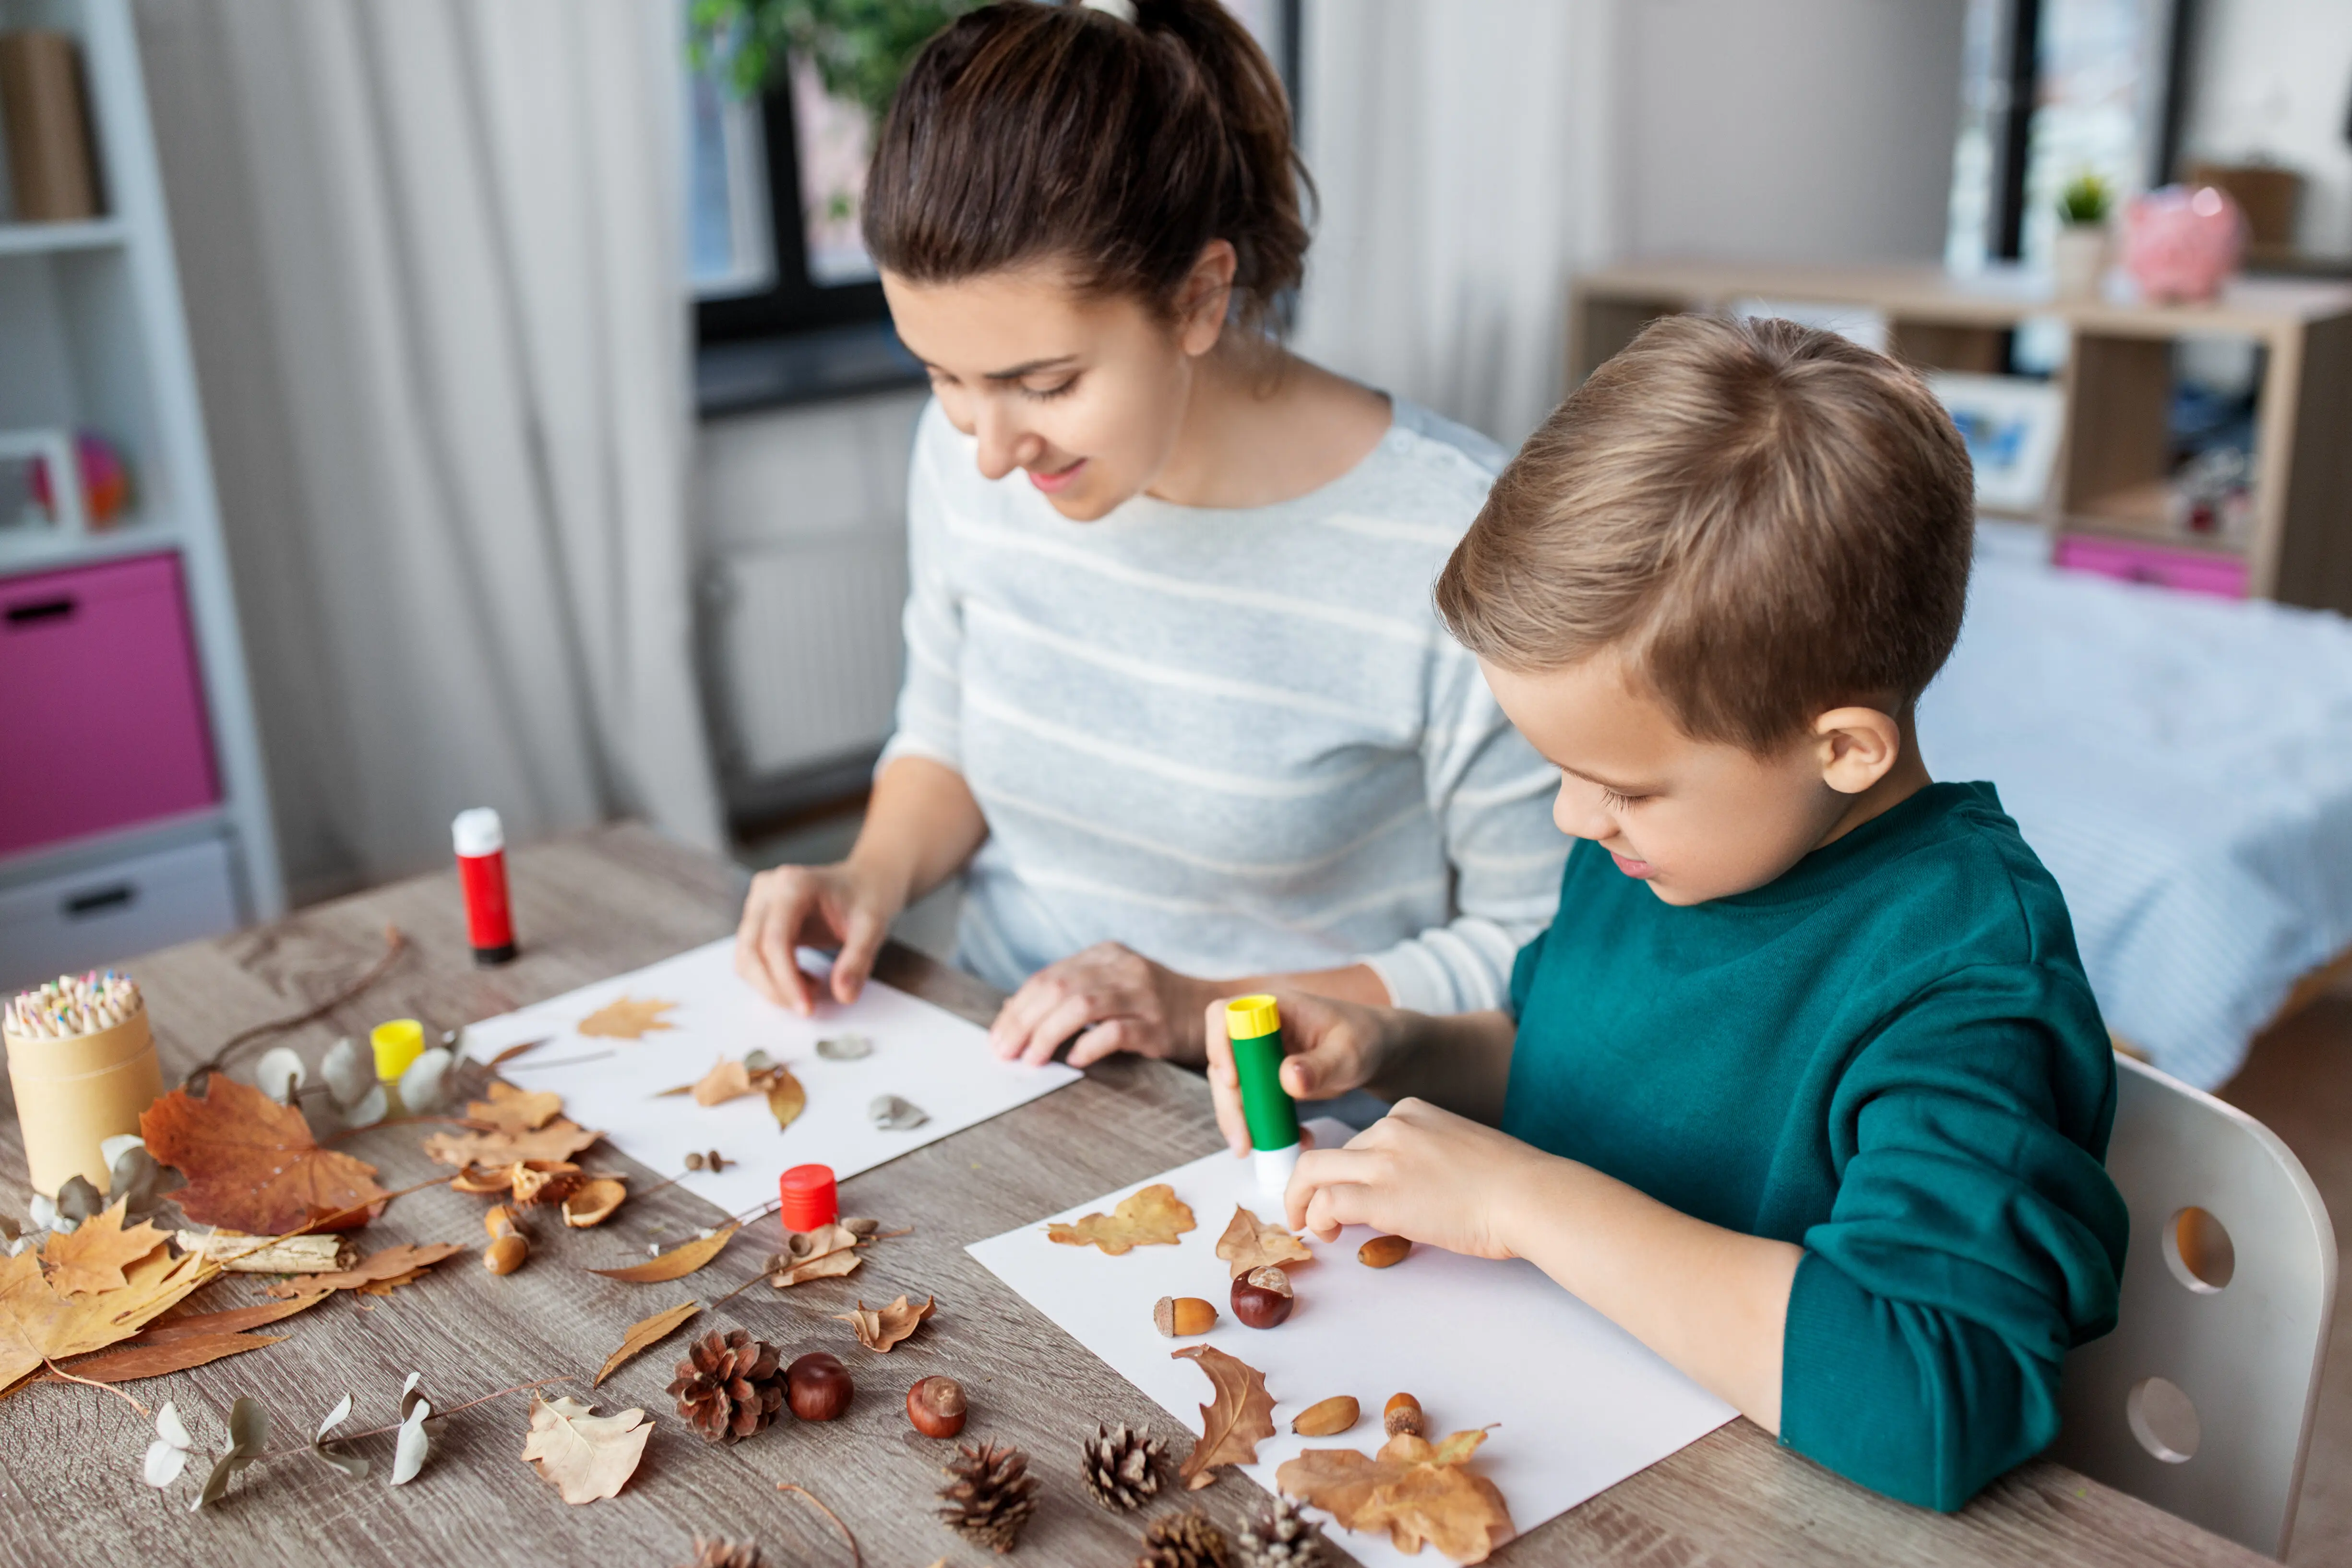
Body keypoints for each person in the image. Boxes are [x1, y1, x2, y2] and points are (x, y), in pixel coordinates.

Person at [1207, 315, 2130, 1510]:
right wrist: (1400, 1048)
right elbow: (1567, 1062)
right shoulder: (1664, 849)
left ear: (1840, 747)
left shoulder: (1961, 976)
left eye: (1622, 783)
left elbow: (1932, 1398)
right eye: (1561, 766)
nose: (1568, 818)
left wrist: (1520, 1202)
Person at [734, 0, 1564, 1068]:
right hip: (1003, 1062)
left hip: (1294, 1134)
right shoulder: (963, 459)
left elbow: (1534, 949)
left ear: (1199, 298)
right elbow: (943, 733)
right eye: (942, 377)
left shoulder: (1453, 538)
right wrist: (866, 877)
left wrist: (1204, 1007)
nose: (988, 450)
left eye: (1043, 383)